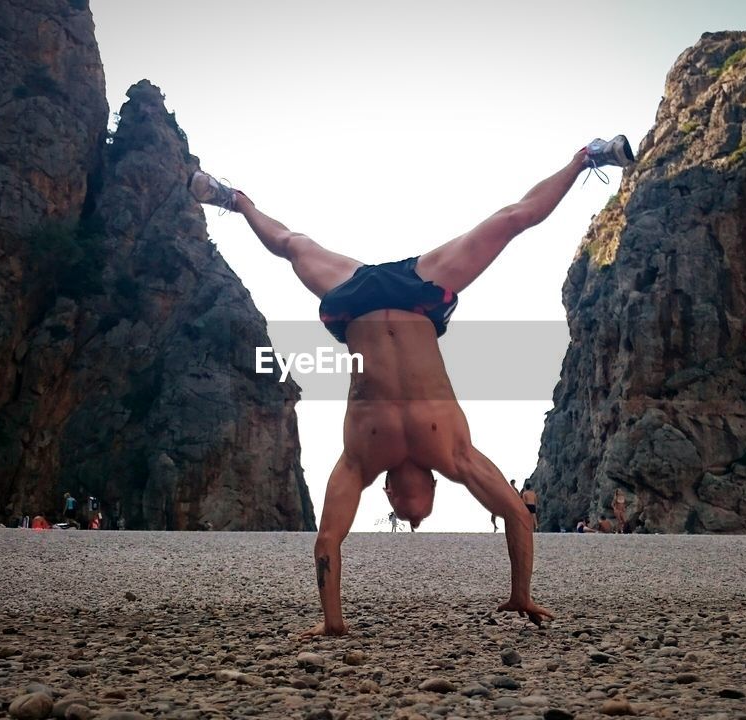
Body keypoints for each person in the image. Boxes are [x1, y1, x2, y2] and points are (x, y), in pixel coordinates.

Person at [190, 135, 635, 637]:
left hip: (352, 299)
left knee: (294, 245)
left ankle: (235, 200)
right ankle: (586, 158)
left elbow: (328, 542)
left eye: (404, 514)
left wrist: (333, 622)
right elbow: (517, 515)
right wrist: (520, 593)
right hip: (420, 291)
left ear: (387, 490)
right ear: (431, 483)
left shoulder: (359, 460)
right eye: (419, 510)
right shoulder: (453, 452)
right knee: (510, 221)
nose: (413, 514)